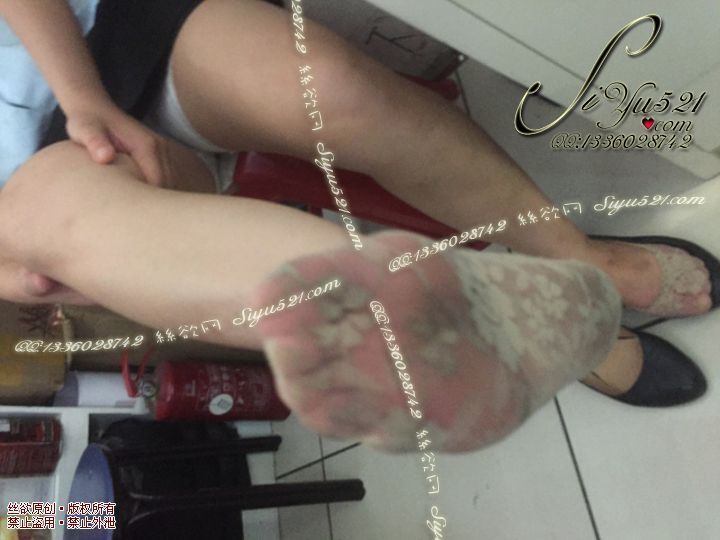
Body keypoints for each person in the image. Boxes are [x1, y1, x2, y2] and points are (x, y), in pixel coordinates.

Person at [0, 0, 714, 447]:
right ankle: (455, 322)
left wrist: (83, 98)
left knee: (329, 89)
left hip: (95, 38)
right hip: (32, 183)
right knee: (60, 226)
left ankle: (570, 263)